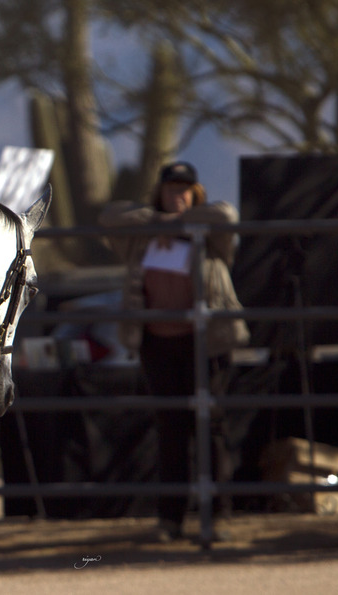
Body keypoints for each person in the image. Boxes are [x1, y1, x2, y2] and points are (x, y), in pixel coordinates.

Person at [99, 161, 249, 543]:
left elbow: (228, 213)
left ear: (195, 194)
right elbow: (109, 217)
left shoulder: (209, 231)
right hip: (157, 342)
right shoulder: (142, 233)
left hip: (206, 342)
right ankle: (171, 519)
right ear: (159, 193)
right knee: (171, 431)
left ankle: (218, 517)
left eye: (185, 190)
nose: (177, 196)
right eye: (171, 190)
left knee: (212, 428)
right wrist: (160, 221)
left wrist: (185, 219)